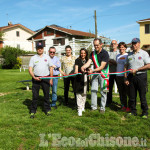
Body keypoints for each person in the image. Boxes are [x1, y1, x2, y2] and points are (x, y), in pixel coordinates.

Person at [81, 38, 109, 113]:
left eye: (97, 45)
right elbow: (89, 62)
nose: (95, 47)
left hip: (103, 73)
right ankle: (93, 107)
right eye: (94, 45)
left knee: (103, 91)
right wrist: (83, 66)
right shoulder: (93, 53)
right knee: (93, 90)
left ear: (101, 45)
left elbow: (102, 66)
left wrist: (92, 70)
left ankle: (102, 108)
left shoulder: (105, 53)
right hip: (95, 73)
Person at [124, 38, 150, 119]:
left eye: (135, 43)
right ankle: (133, 111)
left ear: (139, 43)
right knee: (132, 96)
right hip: (131, 77)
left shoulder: (144, 53)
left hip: (141, 76)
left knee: (142, 96)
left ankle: (145, 112)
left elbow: (149, 65)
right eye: (133, 43)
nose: (134, 45)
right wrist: (125, 78)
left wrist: (137, 69)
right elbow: (125, 66)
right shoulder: (129, 54)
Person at [29, 42, 53, 118]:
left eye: (41, 48)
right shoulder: (33, 58)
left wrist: (51, 79)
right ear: (36, 49)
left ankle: (47, 110)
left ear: (43, 49)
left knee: (46, 95)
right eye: (38, 48)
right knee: (35, 96)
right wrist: (34, 77)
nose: (40, 49)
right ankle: (33, 111)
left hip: (46, 78)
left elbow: (51, 68)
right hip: (36, 78)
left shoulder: (47, 57)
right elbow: (30, 69)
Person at [74, 48, 89, 116]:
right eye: (81, 53)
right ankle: (79, 108)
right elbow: (76, 69)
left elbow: (89, 69)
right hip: (79, 78)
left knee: (84, 93)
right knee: (79, 93)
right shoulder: (77, 60)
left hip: (86, 78)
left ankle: (83, 106)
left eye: (84, 53)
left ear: (86, 54)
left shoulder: (88, 61)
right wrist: (76, 71)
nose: (83, 54)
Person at [116, 42, 130, 112]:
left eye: (123, 47)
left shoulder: (127, 55)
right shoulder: (117, 56)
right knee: (121, 92)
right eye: (120, 47)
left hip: (125, 76)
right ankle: (123, 105)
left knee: (127, 92)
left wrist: (126, 77)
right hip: (118, 76)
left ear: (125, 48)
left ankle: (129, 106)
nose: (121, 48)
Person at [107, 40, 119, 106]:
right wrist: (113, 62)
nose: (113, 45)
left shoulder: (119, 52)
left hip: (118, 73)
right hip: (110, 73)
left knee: (120, 88)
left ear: (117, 45)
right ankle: (109, 101)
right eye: (112, 44)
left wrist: (112, 61)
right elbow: (107, 61)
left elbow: (119, 63)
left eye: (114, 44)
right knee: (109, 88)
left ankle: (123, 103)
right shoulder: (108, 53)